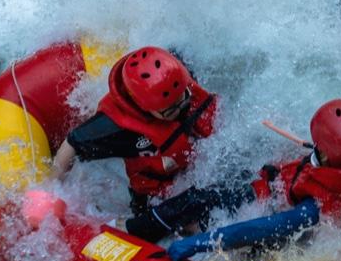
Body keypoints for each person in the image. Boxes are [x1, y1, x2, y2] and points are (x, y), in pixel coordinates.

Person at [124, 99, 341, 261]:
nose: (314, 149)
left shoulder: (313, 208)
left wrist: (197, 244)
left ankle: (131, 230)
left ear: (334, 159)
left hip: (270, 209)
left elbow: (259, 228)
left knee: (197, 200)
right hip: (273, 187)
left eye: (319, 149)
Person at [51, 46, 218, 216]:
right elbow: (72, 144)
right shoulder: (117, 126)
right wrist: (52, 191)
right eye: (170, 110)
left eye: (183, 98)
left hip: (194, 167)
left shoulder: (176, 70)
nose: (182, 109)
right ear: (145, 108)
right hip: (154, 194)